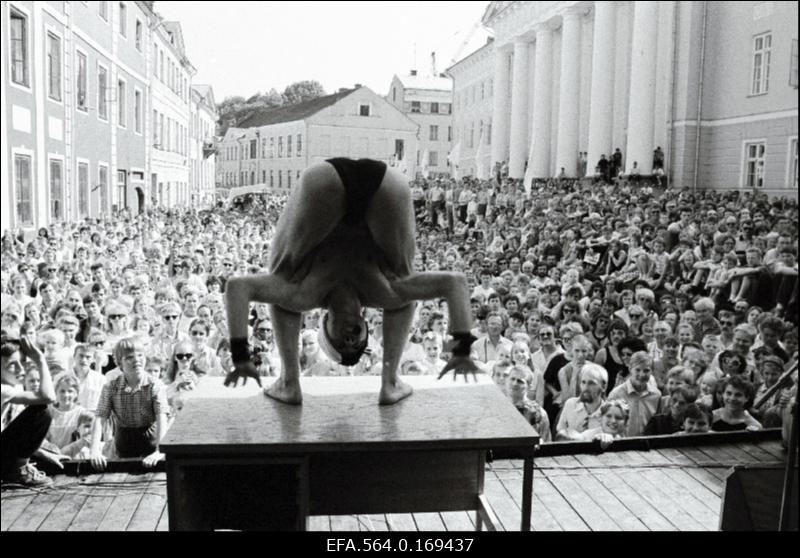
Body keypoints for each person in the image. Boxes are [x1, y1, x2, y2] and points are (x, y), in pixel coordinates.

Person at [224, 159, 480, 405]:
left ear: (325, 324)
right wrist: (461, 352)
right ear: (366, 326)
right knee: (403, 285)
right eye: (356, 344)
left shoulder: (303, 294)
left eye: (340, 343)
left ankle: (290, 381)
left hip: (323, 185)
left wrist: (241, 358)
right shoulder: (385, 291)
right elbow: (454, 283)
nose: (350, 340)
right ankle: (390, 382)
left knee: (282, 281)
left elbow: (238, 287)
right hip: (386, 188)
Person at [89, 337, 169, 470]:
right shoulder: (111, 387)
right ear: (119, 363)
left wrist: (159, 451)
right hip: (124, 440)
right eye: (129, 357)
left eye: (140, 355)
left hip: (151, 439)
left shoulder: (155, 384)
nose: (136, 360)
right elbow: (99, 419)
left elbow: (162, 418)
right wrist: (94, 451)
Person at [1, 335, 56, 486]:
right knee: (43, 411)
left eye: (22, 362)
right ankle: (18, 471)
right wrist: (40, 359)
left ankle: (17, 467)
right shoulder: (3, 389)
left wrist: (42, 453)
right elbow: (49, 397)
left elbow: (16, 432)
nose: (20, 369)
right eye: (12, 364)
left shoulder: (13, 384)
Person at [608, 351, 661, 437]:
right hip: (624, 444)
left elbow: (658, 423)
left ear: (652, 371)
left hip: (648, 444)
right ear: (630, 369)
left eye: (646, 370)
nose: (642, 374)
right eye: (637, 370)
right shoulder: (616, 394)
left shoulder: (656, 395)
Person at [555, 363, 607, 440]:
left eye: (591, 383)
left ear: (603, 387)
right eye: (583, 382)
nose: (585, 387)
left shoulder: (608, 412)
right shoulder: (571, 404)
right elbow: (560, 432)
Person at [505, 365, 551, 442]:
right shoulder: (498, 408)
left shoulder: (539, 413)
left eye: (520, 381)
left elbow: (545, 441)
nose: (514, 383)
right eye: (512, 379)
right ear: (507, 380)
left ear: (529, 386)